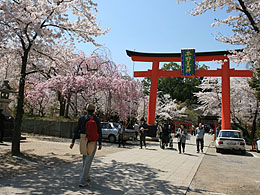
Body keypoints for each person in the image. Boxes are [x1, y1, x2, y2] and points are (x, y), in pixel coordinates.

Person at [70, 104, 102, 187]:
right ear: (94, 110)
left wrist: (73, 141)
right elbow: (99, 131)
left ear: (86, 109)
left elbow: (76, 129)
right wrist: (100, 143)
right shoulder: (96, 119)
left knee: (85, 158)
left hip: (83, 139)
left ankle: (87, 176)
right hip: (92, 141)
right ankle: (82, 181)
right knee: (88, 160)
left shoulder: (82, 118)